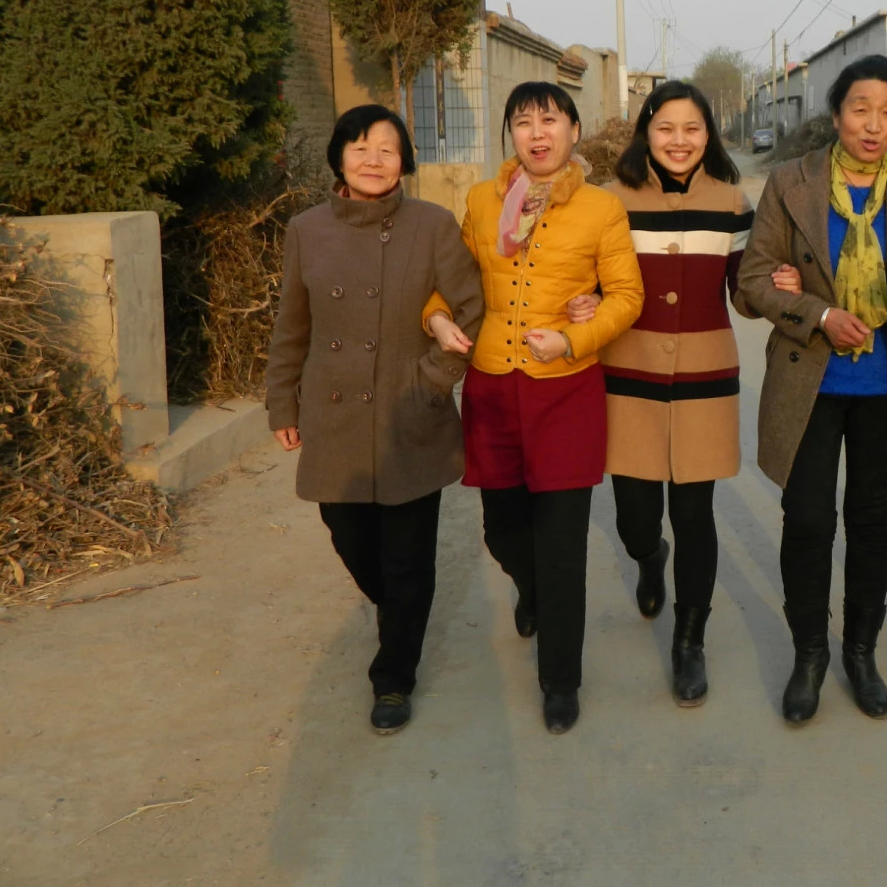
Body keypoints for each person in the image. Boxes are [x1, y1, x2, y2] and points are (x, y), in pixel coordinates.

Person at [738, 54, 887, 724]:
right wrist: (817, 315)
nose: (873, 125)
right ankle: (809, 654)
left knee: (872, 523)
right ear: (837, 113)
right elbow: (753, 279)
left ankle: (861, 652)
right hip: (810, 379)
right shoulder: (791, 183)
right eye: (860, 109)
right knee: (809, 519)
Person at [422, 82, 642, 734]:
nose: (537, 133)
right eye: (523, 121)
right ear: (511, 134)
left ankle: (560, 680)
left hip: (566, 388)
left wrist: (575, 335)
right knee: (502, 528)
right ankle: (533, 586)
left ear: (574, 130)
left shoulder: (602, 208)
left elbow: (626, 296)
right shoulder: (481, 200)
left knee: (563, 542)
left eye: (550, 120)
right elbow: (450, 281)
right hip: (493, 385)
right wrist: (436, 318)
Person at [265, 104, 484, 736]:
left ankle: (393, 676)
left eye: (387, 149)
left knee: (408, 556)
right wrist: (282, 402)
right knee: (350, 535)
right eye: (359, 147)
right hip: (333, 411)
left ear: (404, 161)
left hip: (407, 409)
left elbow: (470, 306)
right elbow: (292, 326)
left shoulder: (432, 225)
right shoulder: (306, 229)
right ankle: (400, 613)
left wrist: (435, 378)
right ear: (339, 156)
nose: (373, 159)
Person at [565, 81, 753, 705]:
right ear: (646, 131)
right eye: (666, 128)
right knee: (635, 517)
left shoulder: (732, 202)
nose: (679, 141)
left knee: (695, 514)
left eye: (692, 128)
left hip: (705, 379)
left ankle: (689, 640)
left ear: (709, 134)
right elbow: (591, 279)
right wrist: (585, 302)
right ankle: (649, 558)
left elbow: (744, 293)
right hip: (629, 377)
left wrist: (772, 284)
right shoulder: (610, 202)